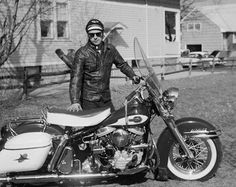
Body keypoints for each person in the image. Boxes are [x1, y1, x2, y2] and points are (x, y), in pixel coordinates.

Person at [68, 19, 140, 112]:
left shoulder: (110, 49)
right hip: (89, 100)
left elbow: (122, 64)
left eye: (98, 34)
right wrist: (75, 101)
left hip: (106, 99)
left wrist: (133, 75)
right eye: (91, 35)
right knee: (93, 126)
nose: (95, 37)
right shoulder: (82, 53)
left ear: (102, 33)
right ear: (88, 35)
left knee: (114, 123)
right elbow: (76, 78)